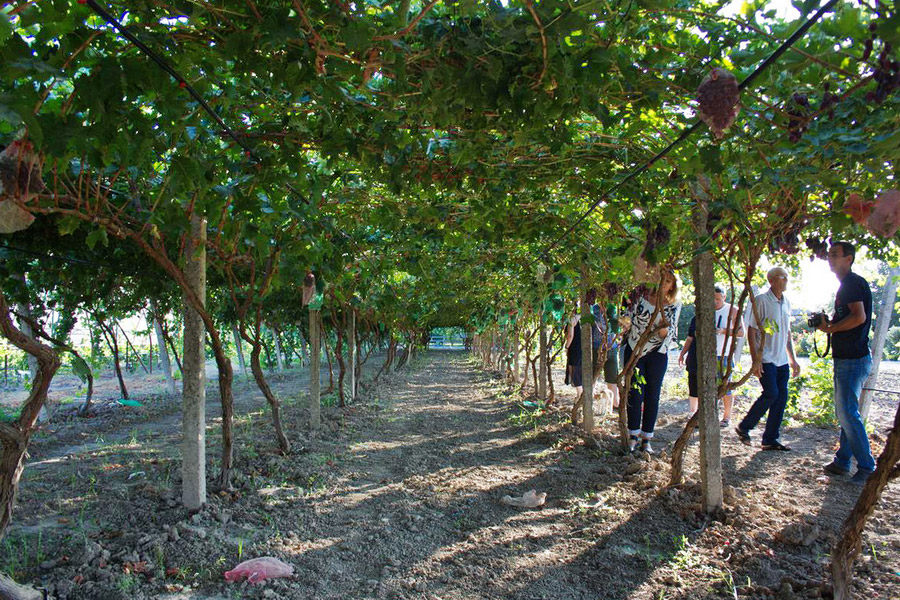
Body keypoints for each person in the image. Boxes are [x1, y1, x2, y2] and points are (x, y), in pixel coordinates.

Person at [817, 242, 875, 485]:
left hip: (852, 359)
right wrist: (829, 322)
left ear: (848, 259)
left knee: (847, 413)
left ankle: (866, 466)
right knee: (847, 412)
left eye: (834, 255)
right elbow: (851, 316)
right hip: (850, 357)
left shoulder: (851, 283)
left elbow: (859, 317)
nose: (830, 259)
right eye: (829, 255)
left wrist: (830, 328)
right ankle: (842, 461)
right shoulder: (849, 284)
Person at [735, 267, 801, 451]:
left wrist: (793, 359)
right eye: (783, 277)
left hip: (781, 359)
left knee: (781, 397)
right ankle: (744, 426)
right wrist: (756, 360)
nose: (786, 279)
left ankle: (770, 439)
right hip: (766, 357)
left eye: (787, 276)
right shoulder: (762, 300)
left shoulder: (786, 302)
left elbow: (787, 332)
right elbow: (752, 331)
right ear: (772, 280)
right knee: (771, 393)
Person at [623, 270, 681, 454]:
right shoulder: (641, 297)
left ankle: (646, 438)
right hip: (635, 349)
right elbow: (626, 318)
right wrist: (623, 323)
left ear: (673, 285)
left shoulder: (674, 306)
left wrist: (661, 321)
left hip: (657, 353)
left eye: (669, 281)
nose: (664, 283)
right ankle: (632, 435)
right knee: (634, 392)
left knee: (652, 396)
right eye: (662, 279)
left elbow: (669, 334)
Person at [678, 285, 744, 426]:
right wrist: (683, 353)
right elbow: (691, 336)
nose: (715, 301)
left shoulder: (732, 310)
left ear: (724, 297)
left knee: (725, 387)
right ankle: (704, 416)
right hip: (706, 355)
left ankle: (726, 418)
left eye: (718, 298)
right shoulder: (705, 311)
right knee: (705, 387)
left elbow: (741, 332)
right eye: (712, 298)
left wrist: (723, 331)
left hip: (724, 355)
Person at [564, 290, 603, 402]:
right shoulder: (589, 318)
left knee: (575, 373)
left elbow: (570, 335)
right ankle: (582, 396)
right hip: (586, 349)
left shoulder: (573, 318)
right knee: (582, 373)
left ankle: (581, 396)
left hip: (575, 349)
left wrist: (566, 347)